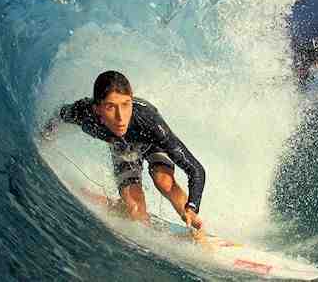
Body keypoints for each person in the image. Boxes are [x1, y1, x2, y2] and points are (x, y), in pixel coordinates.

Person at [41, 70, 206, 231]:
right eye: (110, 107)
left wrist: (192, 206)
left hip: (150, 142)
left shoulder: (149, 121)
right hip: (123, 147)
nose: (121, 117)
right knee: (135, 208)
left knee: (164, 181)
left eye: (126, 104)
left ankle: (197, 231)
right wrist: (43, 138)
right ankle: (128, 212)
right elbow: (60, 115)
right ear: (97, 108)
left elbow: (195, 169)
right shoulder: (83, 113)